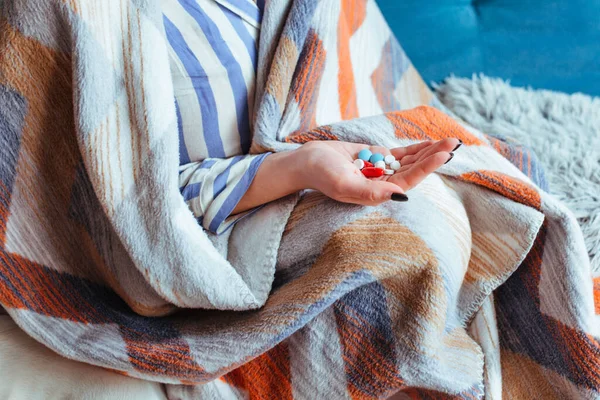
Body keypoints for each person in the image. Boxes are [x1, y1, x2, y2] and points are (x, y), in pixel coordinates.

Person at [165, 0, 460, 235]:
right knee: (417, 232)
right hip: (236, 216)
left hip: (373, 138)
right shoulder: (134, 26)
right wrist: (299, 166)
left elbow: (363, 63)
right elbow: (144, 205)